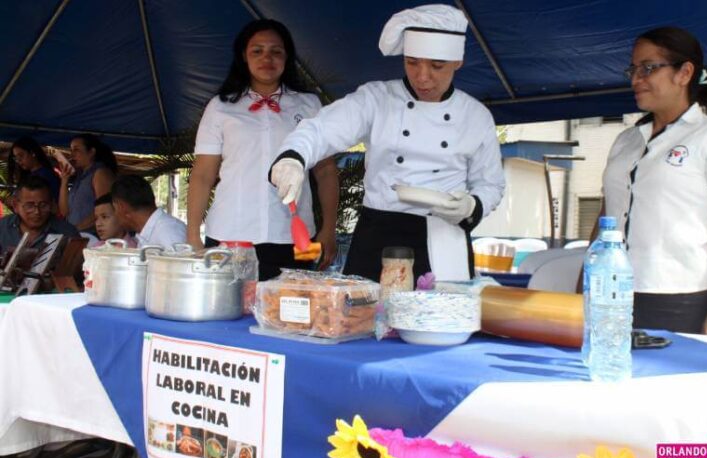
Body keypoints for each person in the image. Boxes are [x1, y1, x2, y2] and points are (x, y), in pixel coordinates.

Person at [270, 4, 505, 282]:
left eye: (436, 66)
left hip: (444, 236)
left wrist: (471, 207)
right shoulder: (377, 99)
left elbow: (491, 184)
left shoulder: (476, 116)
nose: (422, 76)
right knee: (363, 318)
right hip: (378, 232)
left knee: (440, 320)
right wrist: (293, 158)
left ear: (458, 62)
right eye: (412, 62)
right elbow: (322, 129)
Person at [600, 26, 707, 336]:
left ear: (684, 73)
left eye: (648, 68)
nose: (635, 79)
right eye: (633, 69)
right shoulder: (626, 141)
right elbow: (608, 215)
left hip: (680, 297)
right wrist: (584, 283)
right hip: (608, 292)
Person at [188, 19, 339, 281]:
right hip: (229, 234)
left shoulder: (309, 104)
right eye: (257, 50)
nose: (266, 58)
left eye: (275, 51)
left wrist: (329, 230)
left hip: (299, 238)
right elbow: (202, 175)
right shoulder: (220, 106)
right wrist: (192, 235)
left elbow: (326, 172)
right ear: (243, 57)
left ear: (287, 57)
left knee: (293, 311)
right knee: (229, 310)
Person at [52, 134, 118, 233]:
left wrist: (77, 229)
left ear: (91, 152)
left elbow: (105, 209)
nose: (72, 154)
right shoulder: (80, 177)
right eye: (71, 150)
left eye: (76, 150)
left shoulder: (100, 173)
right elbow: (64, 211)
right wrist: (64, 180)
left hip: (93, 235)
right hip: (79, 234)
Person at [0, 176, 79, 252]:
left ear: (51, 205)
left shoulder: (67, 233)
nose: (37, 211)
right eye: (29, 206)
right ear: (15, 206)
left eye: (43, 205)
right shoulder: (3, 228)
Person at [111, 175, 186, 249]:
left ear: (122, 207)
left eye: (114, 208)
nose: (115, 214)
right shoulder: (151, 233)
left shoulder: (167, 232)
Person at [7, 136, 61, 201]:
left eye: (21, 156)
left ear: (32, 153)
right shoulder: (29, 175)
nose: (19, 161)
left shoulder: (45, 175)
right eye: (16, 158)